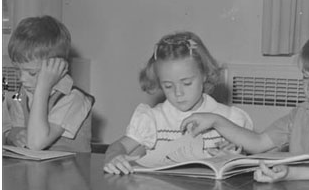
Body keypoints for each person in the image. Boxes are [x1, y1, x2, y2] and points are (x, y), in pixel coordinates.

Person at [181, 21, 309, 183]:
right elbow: (259, 143)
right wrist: (216, 120)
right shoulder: (303, 112)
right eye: (306, 78)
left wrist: (290, 173)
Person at [104, 31, 253, 174]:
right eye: (168, 86)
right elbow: (118, 146)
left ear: (205, 74)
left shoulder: (228, 117)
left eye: (187, 83)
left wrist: (235, 153)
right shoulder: (153, 119)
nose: (178, 93)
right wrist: (114, 157)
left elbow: (255, 151)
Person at [2, 15, 94, 152]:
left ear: (58, 68)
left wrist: (43, 87)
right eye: (17, 70)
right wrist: (15, 135)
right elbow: (16, 128)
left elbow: (36, 143)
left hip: (69, 171)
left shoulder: (74, 98)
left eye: (32, 73)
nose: (22, 78)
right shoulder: (23, 93)